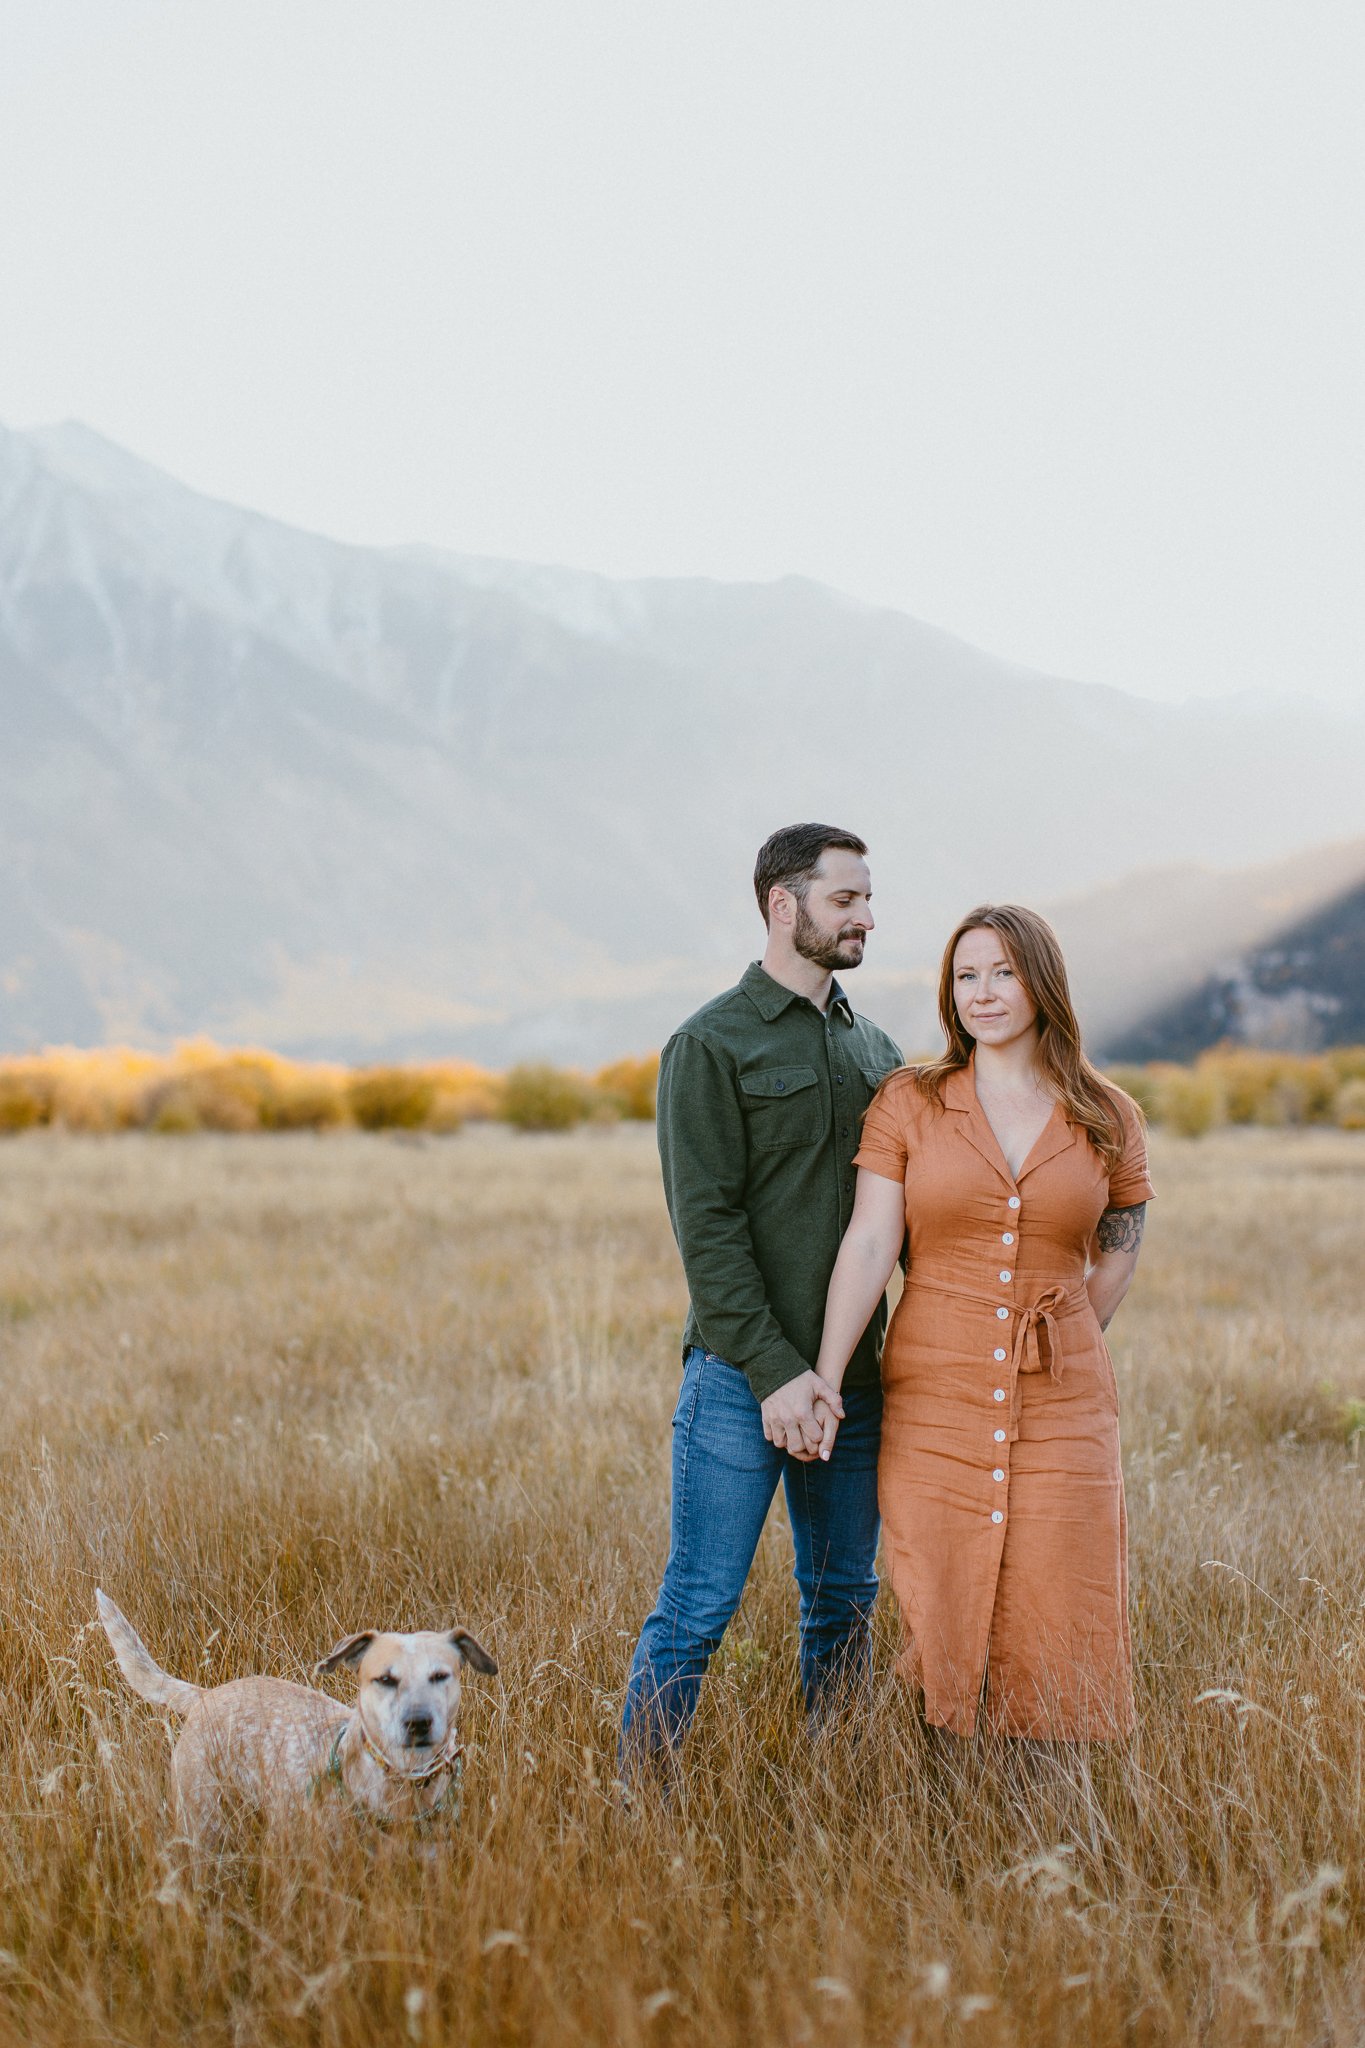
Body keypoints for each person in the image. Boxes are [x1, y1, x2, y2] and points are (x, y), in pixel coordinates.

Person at [811, 904, 1152, 1740]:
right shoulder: (910, 1101)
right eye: (965, 976)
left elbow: (1121, 1241)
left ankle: (1042, 1796)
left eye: (1002, 972)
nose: (983, 993)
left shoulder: (1106, 1113)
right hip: (934, 1389)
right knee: (942, 1580)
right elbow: (867, 1243)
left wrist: (1069, 1331)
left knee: (1057, 1584)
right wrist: (824, 1373)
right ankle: (947, 1792)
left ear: (1041, 981)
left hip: (1063, 1398)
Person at [619, 823, 903, 1768]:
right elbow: (707, 1233)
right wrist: (780, 1374)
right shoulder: (708, 1045)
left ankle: (836, 1797)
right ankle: (638, 1809)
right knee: (697, 1609)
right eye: (845, 898)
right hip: (740, 1384)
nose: (865, 915)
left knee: (843, 1604)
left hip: (855, 1388)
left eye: (866, 897)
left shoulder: (878, 1049)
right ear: (783, 907)